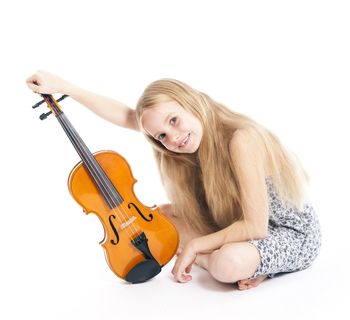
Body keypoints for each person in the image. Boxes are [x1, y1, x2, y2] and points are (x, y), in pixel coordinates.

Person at [26, 70, 321, 290]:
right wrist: (64, 87)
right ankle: (237, 256)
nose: (174, 137)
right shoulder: (189, 139)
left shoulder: (240, 139)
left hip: (287, 233)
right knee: (161, 220)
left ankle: (220, 258)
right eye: (162, 136)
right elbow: (129, 116)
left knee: (226, 264)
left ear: (190, 102)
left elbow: (256, 226)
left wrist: (195, 247)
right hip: (241, 224)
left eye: (174, 121)